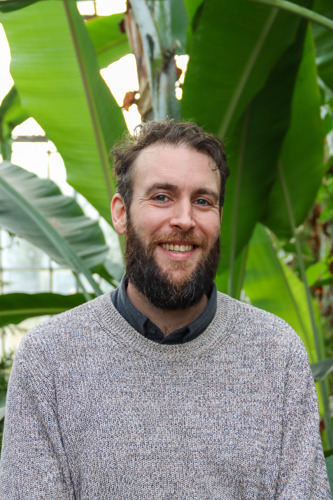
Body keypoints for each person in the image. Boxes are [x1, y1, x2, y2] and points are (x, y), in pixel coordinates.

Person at [0, 120, 331, 499]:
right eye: (161, 197)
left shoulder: (276, 353)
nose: (185, 219)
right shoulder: (49, 359)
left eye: (203, 201)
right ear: (121, 212)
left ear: (219, 218)